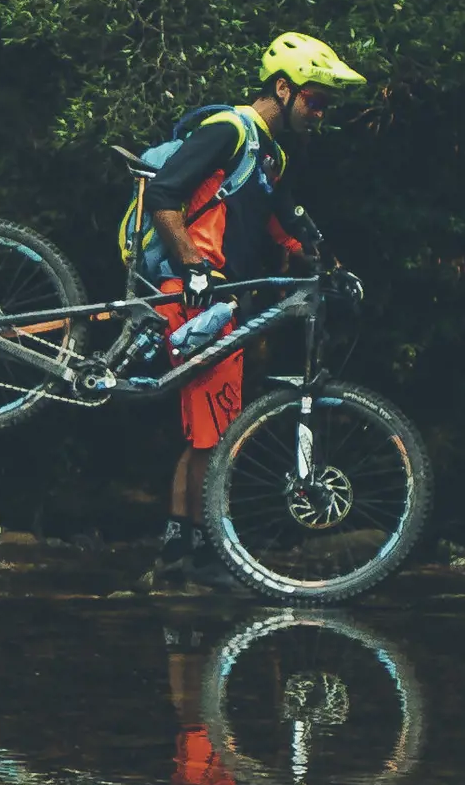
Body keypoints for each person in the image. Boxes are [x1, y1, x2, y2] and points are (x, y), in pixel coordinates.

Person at [125, 31, 363, 585]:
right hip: (196, 298)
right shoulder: (230, 130)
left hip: (223, 302)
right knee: (219, 432)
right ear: (282, 88)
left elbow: (287, 228)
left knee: (207, 433)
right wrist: (193, 266)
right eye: (315, 100)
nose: (320, 113)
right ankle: (206, 556)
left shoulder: (267, 155)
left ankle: (177, 552)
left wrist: (330, 268)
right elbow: (164, 195)